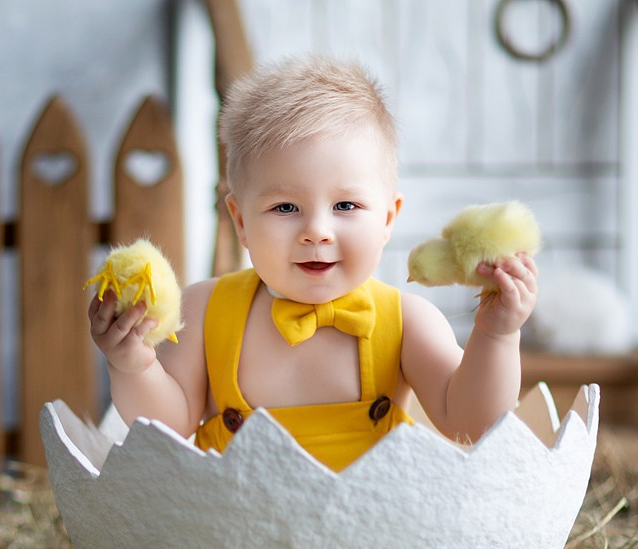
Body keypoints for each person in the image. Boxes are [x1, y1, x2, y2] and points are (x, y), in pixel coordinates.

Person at [88, 56, 538, 471]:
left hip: (366, 541)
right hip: (235, 541)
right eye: (285, 208)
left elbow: (472, 423)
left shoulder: (407, 323)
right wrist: (135, 366)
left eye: (345, 205)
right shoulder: (206, 311)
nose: (317, 231)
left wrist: (496, 335)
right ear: (240, 222)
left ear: (387, 219)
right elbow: (167, 427)